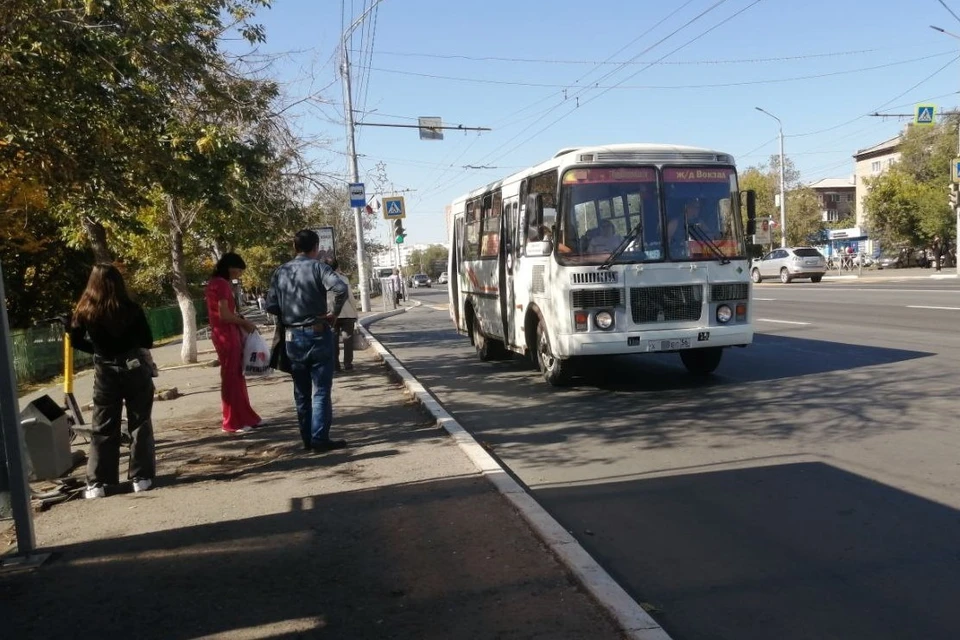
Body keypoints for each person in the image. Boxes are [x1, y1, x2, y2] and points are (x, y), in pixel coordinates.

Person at [69, 264, 156, 499]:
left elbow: (74, 340)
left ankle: (98, 483)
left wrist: (98, 350)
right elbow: (147, 340)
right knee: (140, 421)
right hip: (134, 368)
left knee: (103, 424)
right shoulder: (131, 308)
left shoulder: (85, 309)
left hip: (105, 372)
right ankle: (141, 477)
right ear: (119, 282)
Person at [266, 230, 349, 452]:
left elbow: (270, 305)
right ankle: (319, 438)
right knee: (321, 390)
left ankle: (307, 441)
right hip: (318, 333)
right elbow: (341, 288)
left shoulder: (280, 271)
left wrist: (289, 310)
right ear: (316, 247)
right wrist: (333, 313)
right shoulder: (319, 267)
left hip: (292, 337)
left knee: (301, 391)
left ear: (295, 247)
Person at [205, 252, 261, 434]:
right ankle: (232, 421)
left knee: (236, 375)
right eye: (238, 270)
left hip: (225, 332)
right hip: (226, 335)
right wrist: (245, 323)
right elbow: (224, 314)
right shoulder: (221, 284)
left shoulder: (214, 283)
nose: (239, 274)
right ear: (230, 267)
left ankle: (244, 416)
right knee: (231, 377)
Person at [326, 258, 359, 372]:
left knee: (333, 340)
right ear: (337, 266)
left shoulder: (322, 280)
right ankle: (348, 364)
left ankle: (335, 366)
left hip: (330, 314)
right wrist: (355, 313)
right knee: (348, 339)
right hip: (347, 313)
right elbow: (350, 298)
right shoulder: (344, 279)